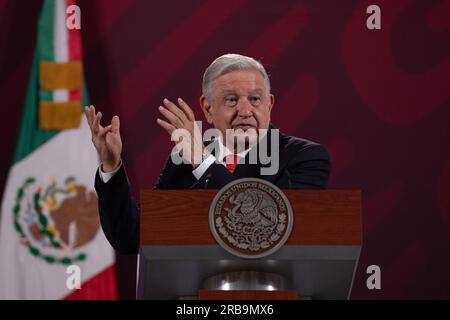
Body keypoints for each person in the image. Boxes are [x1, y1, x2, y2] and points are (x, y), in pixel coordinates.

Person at [85, 54, 331, 254]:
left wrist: (202, 161)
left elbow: (269, 230)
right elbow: (134, 237)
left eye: (255, 99)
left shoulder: (305, 157)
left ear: (270, 105)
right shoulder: (185, 159)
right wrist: (111, 166)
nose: (245, 110)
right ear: (208, 108)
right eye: (231, 100)